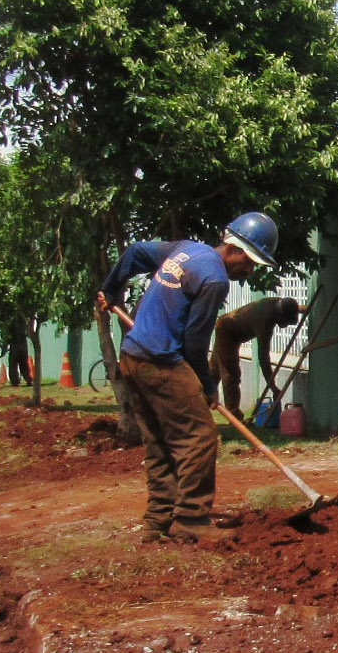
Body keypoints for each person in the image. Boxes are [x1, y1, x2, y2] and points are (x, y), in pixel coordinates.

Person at [96, 212, 281, 543]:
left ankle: (158, 520)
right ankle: (192, 519)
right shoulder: (214, 280)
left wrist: (110, 289)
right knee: (199, 436)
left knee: (160, 441)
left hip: (133, 356)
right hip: (161, 360)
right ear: (234, 248)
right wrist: (208, 387)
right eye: (250, 261)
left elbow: (136, 251)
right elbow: (194, 342)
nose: (249, 270)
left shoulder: (185, 250)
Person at [210, 296, 302, 416]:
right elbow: (263, 358)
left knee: (213, 372)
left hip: (227, 325)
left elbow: (295, 308)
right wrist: (273, 387)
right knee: (231, 374)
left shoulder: (278, 303)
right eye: (285, 322)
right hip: (227, 331)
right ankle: (234, 415)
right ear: (280, 315)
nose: (285, 325)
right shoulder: (265, 321)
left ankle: (200, 405)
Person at [6, 319, 32, 386]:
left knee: (13, 365)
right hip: (23, 347)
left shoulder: (10, 325)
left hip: (14, 347)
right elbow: (28, 334)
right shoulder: (24, 324)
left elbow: (7, 338)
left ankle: (15, 382)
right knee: (24, 364)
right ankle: (28, 379)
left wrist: (4, 349)